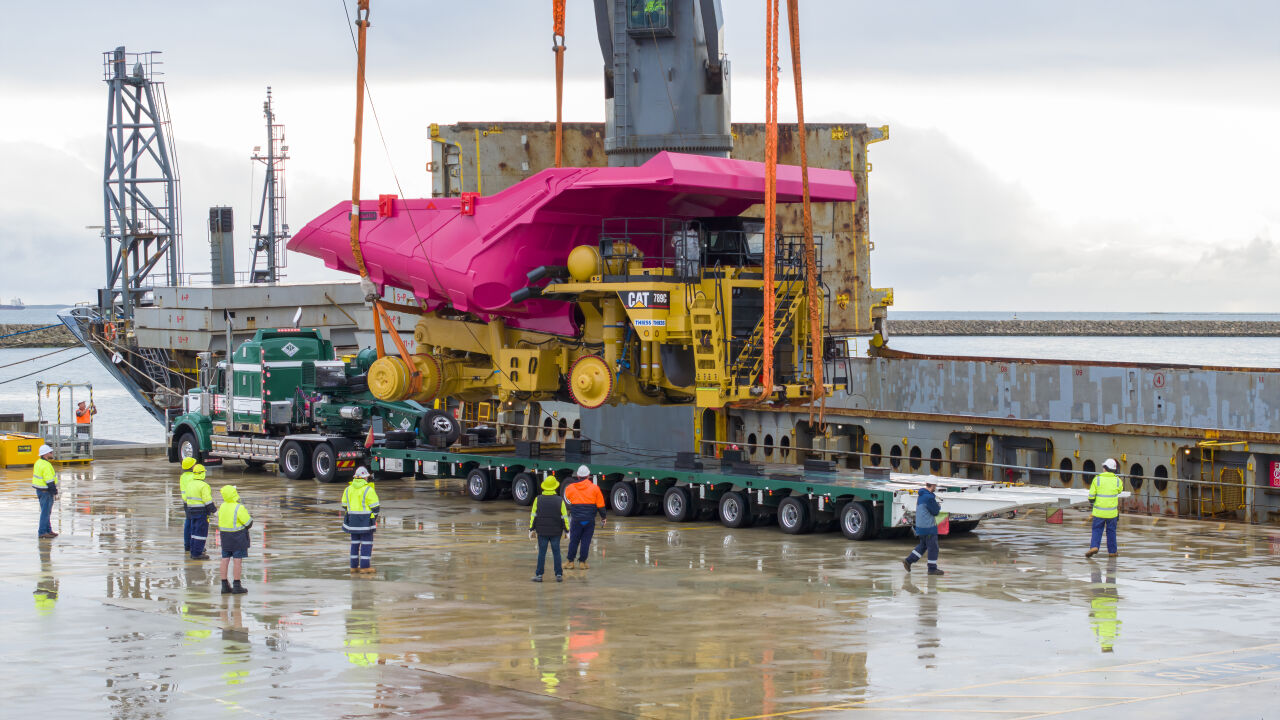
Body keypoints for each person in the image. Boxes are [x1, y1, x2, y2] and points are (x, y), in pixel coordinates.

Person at [564, 465, 606, 570]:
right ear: (588, 476)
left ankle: (570, 562)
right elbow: (600, 505)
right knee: (586, 541)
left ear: (578, 476)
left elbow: (567, 499)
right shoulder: (595, 488)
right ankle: (582, 562)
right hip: (589, 520)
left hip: (576, 519)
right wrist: (603, 517)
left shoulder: (570, 487)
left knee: (574, 540)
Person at [529, 477, 569, 583]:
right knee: (556, 552)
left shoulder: (538, 499)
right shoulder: (559, 500)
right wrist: (567, 530)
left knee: (541, 553)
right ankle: (559, 574)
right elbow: (564, 517)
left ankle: (539, 575)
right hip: (556, 531)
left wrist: (531, 529)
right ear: (555, 487)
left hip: (542, 532)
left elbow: (534, 515)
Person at [341, 466, 381, 574]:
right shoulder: (368, 490)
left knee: (354, 544)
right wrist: (373, 518)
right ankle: (365, 567)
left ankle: (353, 567)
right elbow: (376, 508)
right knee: (366, 544)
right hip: (366, 524)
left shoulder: (348, 489)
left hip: (352, 523)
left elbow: (344, 505)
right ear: (365, 478)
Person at [902, 481, 945, 576]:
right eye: (935, 486)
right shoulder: (929, 497)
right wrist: (938, 506)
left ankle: (908, 561)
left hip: (921, 527)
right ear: (933, 485)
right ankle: (932, 569)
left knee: (923, 546)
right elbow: (935, 512)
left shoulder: (921, 495)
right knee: (933, 548)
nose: (935, 487)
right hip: (928, 527)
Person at [217, 485, 253, 594]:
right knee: (237, 560)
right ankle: (236, 585)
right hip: (238, 537)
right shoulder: (239, 507)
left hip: (225, 537)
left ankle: (224, 585)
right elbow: (248, 522)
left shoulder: (222, 506)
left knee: (225, 559)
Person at [1086, 458, 1123, 558]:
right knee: (1111, 532)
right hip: (1112, 513)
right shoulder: (1117, 481)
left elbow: (1091, 497)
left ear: (1105, 468)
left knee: (1097, 530)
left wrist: (1093, 501)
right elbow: (1119, 490)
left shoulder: (1097, 479)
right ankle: (1112, 552)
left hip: (1099, 512)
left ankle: (1094, 546)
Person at [183, 464, 216, 560]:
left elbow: (186, 499)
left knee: (193, 532)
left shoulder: (190, 484)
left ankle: (193, 551)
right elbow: (207, 501)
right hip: (201, 512)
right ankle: (197, 553)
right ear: (202, 473)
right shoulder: (204, 486)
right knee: (200, 533)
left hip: (191, 511)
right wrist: (214, 511)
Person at [32, 444, 58, 539]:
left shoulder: (38, 462)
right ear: (45, 454)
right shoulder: (46, 465)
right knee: (45, 512)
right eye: (50, 452)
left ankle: (48, 530)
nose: (52, 453)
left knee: (46, 512)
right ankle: (43, 532)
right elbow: (49, 480)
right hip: (46, 492)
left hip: (40, 491)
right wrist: (54, 491)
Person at [179, 456, 196, 552]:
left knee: (188, 522)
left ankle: (187, 544)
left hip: (186, 502)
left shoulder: (183, 477)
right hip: (194, 503)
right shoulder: (193, 476)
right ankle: (193, 544)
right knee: (195, 524)